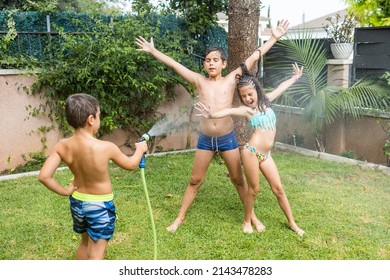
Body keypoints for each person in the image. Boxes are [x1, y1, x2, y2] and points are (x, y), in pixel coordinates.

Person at [136, 20, 290, 232]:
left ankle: (251, 216)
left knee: (238, 179)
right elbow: (174, 64)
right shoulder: (199, 81)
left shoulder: (231, 79)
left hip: (227, 138)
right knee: (195, 180)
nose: (211, 63)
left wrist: (273, 37)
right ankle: (179, 218)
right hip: (206, 140)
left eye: (215, 60)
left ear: (224, 64)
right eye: (207, 60)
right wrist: (153, 51)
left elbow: (254, 57)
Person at [195, 62, 305, 235]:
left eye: (250, 94)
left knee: (279, 189)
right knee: (254, 190)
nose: (247, 98)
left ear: (257, 91)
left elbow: (281, 87)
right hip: (251, 152)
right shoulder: (246, 111)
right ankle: (247, 221)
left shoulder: (267, 102)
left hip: (266, 154)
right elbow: (228, 111)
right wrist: (212, 115)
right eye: (243, 96)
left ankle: (292, 223)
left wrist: (295, 77)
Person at [38, 93, 148, 259]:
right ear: (91, 119)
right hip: (99, 205)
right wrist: (139, 150)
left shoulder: (62, 145)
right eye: (99, 116)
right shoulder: (106, 147)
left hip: (77, 203)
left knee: (84, 243)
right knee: (96, 254)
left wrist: (65, 191)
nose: (99, 119)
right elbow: (131, 165)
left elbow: (44, 176)